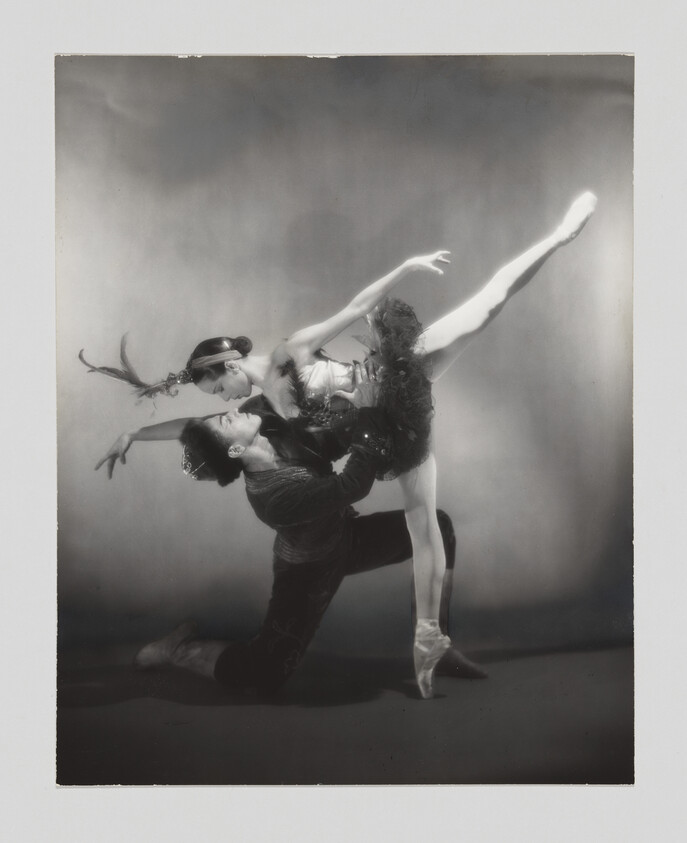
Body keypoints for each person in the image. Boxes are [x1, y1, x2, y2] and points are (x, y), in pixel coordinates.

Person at [88, 191, 598, 696]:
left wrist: (406, 267)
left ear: (230, 366)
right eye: (219, 399)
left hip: (391, 382)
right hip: (377, 436)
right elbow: (196, 427)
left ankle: (560, 236)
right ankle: (426, 645)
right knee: (421, 526)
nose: (225, 401)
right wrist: (135, 434)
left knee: (486, 308)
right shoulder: (255, 414)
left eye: (220, 389)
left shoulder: (291, 353)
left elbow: (355, 307)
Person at [133, 395, 486, 697]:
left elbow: (328, 443)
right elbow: (351, 485)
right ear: (236, 449)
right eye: (224, 423)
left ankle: (438, 644)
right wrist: (369, 419)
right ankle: (177, 650)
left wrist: (365, 408)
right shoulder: (272, 499)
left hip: (347, 538)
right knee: (266, 676)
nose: (229, 412)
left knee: (438, 528)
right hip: (308, 573)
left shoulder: (272, 431)